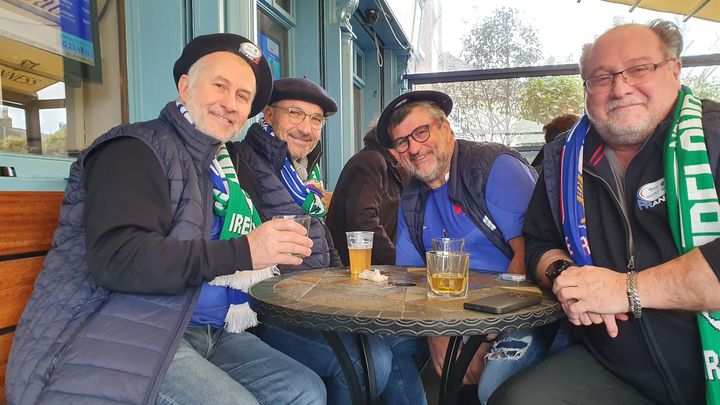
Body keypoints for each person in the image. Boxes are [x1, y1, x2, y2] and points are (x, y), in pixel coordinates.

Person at [5, 33, 326, 405]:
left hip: (207, 331)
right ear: (185, 86)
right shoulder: (134, 149)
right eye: (219, 86)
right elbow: (118, 260)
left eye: (242, 96)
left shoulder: (219, 166)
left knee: (304, 389)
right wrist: (244, 251)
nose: (229, 103)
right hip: (122, 331)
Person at [490, 20, 720, 405]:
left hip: (702, 363)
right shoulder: (562, 158)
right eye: (601, 77)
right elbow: (540, 243)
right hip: (617, 366)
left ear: (675, 70)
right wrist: (567, 277)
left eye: (639, 68)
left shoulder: (714, 137)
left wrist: (625, 290)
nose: (620, 87)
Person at [375, 90, 553, 404]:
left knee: (494, 384)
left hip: (523, 314)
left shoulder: (494, 167)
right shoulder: (412, 198)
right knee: (382, 346)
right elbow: (410, 275)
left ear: (446, 129)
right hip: (450, 315)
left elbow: (532, 254)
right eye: (402, 142)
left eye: (421, 132)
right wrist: (437, 330)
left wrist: (483, 332)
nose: (414, 148)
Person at [239, 78, 394, 404]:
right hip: (267, 314)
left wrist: (345, 283)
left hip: (313, 305)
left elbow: (324, 241)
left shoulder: (301, 173)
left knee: (380, 349)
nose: (306, 128)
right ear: (268, 115)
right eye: (295, 114)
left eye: (316, 120)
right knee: (369, 363)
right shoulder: (243, 165)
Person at [326, 124, 409, 265]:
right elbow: (363, 220)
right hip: (355, 270)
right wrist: (396, 260)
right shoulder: (371, 161)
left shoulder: (395, 167)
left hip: (374, 270)